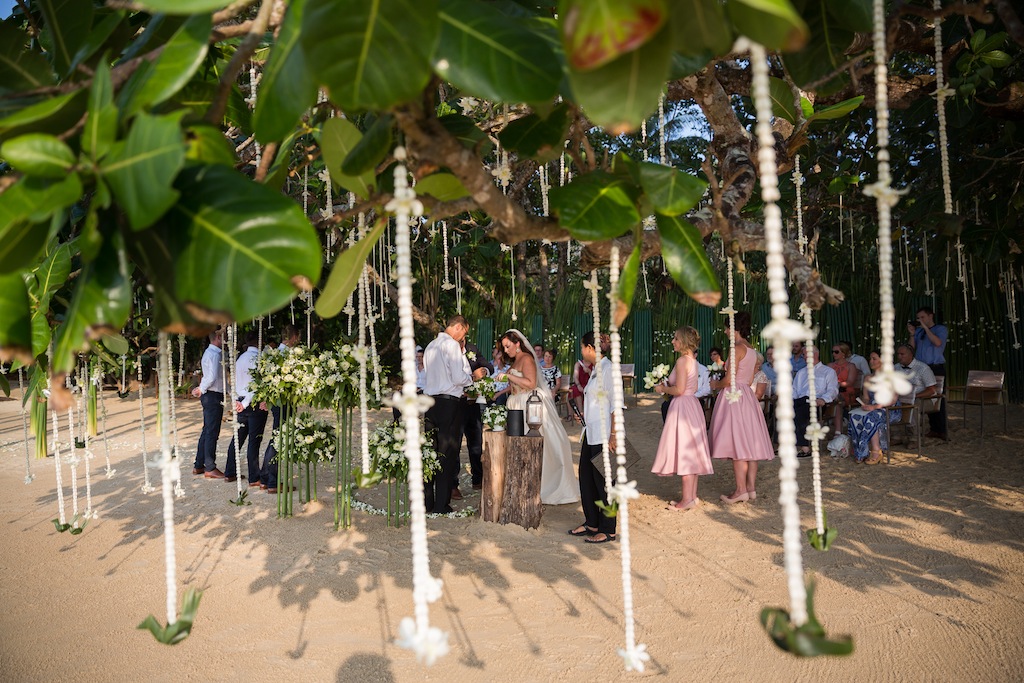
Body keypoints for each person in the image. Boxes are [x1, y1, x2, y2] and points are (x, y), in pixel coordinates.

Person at [499, 330, 579, 505]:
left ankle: (546, 484)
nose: (505, 350)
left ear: (517, 343)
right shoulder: (515, 361)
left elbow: (530, 383)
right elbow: (514, 384)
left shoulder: (527, 359)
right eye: (504, 347)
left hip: (529, 404)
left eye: (508, 346)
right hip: (516, 403)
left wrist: (508, 375)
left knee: (538, 444)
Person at [422, 315, 487, 513]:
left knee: (430, 453)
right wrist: (473, 377)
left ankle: (427, 502)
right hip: (449, 404)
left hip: (430, 403)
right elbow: (459, 377)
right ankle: (441, 504)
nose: (462, 338)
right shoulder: (450, 345)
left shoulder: (430, 346)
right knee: (447, 453)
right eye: (464, 333)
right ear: (458, 327)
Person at [709, 311, 774, 503]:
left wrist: (716, 385)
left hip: (734, 396)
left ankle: (740, 490)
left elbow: (729, 380)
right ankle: (750, 488)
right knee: (748, 441)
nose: (725, 331)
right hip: (747, 396)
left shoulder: (735, 348)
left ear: (733, 329)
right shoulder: (752, 349)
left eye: (726, 327)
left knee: (736, 442)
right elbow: (749, 376)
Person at [651, 326, 713, 511]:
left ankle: (686, 499)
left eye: (676, 338)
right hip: (692, 405)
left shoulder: (681, 361)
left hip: (683, 407)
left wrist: (662, 389)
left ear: (684, 341)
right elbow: (688, 387)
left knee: (685, 451)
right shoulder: (693, 361)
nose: (673, 341)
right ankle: (691, 497)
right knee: (691, 451)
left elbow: (678, 390)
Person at [567, 332, 620, 543]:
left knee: (605, 483)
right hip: (591, 433)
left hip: (604, 435)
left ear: (590, 348)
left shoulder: (608, 370)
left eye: (582, 347)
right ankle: (592, 522)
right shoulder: (597, 370)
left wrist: (614, 434)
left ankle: (608, 528)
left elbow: (616, 404)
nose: (581, 351)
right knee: (587, 480)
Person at [224, 331, 269, 485]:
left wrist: (236, 400)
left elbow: (234, 382)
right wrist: (244, 403)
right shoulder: (259, 359)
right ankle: (254, 477)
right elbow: (255, 386)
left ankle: (230, 471)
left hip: (240, 400)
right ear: (260, 341)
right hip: (252, 402)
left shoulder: (240, 358)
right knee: (254, 440)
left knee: (238, 438)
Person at [260, 324, 300, 494]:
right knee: (279, 439)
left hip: (276, 402)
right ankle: (272, 482)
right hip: (285, 402)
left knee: (276, 437)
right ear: (294, 337)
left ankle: (265, 477)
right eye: (297, 338)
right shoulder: (288, 355)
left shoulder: (272, 353)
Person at [847, 350, 900, 464]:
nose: (871, 361)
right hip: (872, 407)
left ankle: (876, 450)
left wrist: (875, 406)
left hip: (888, 409)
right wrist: (864, 403)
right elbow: (866, 397)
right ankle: (861, 450)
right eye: (870, 358)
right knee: (854, 415)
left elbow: (892, 400)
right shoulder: (868, 378)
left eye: (874, 358)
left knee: (872, 417)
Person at [908, 306, 948, 439]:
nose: (920, 320)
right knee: (926, 397)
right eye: (918, 318)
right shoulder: (919, 332)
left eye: (922, 317)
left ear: (930, 316)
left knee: (937, 397)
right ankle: (933, 428)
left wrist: (925, 327)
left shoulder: (940, 329)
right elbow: (911, 349)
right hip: (921, 368)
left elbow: (937, 342)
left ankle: (941, 429)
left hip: (935, 366)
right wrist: (913, 334)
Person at [793, 346, 839, 457]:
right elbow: (794, 390)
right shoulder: (801, 372)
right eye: (803, 355)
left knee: (798, 414)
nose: (804, 357)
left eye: (806, 354)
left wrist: (823, 399)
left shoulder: (828, 371)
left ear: (815, 354)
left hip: (816, 402)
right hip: (800, 400)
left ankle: (805, 449)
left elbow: (833, 389)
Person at [192, 329, 226, 479]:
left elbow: (217, 378)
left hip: (211, 394)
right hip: (212, 395)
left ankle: (199, 464)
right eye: (223, 337)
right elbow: (211, 377)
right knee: (212, 432)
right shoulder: (213, 354)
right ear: (217, 337)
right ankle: (210, 467)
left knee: (207, 430)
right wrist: (201, 388)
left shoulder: (211, 353)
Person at [461, 340, 489, 493]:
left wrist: (483, 370)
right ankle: (453, 485)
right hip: (455, 403)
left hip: (473, 403)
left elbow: (487, 365)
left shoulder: (472, 348)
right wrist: (472, 377)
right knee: (455, 444)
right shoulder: (447, 352)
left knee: (476, 443)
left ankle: (478, 478)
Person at [829, 342, 860, 435]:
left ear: (843, 353)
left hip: (845, 392)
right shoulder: (830, 366)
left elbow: (850, 382)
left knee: (837, 400)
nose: (834, 354)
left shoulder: (851, 366)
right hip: (832, 391)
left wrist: (836, 384)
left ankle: (837, 431)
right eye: (833, 352)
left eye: (836, 352)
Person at [568, 354, 593, 423]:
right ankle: (579, 412)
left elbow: (594, 378)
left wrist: (589, 371)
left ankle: (583, 413)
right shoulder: (578, 364)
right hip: (579, 384)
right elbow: (575, 377)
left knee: (587, 390)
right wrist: (578, 385)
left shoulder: (593, 364)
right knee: (574, 390)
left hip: (589, 384)